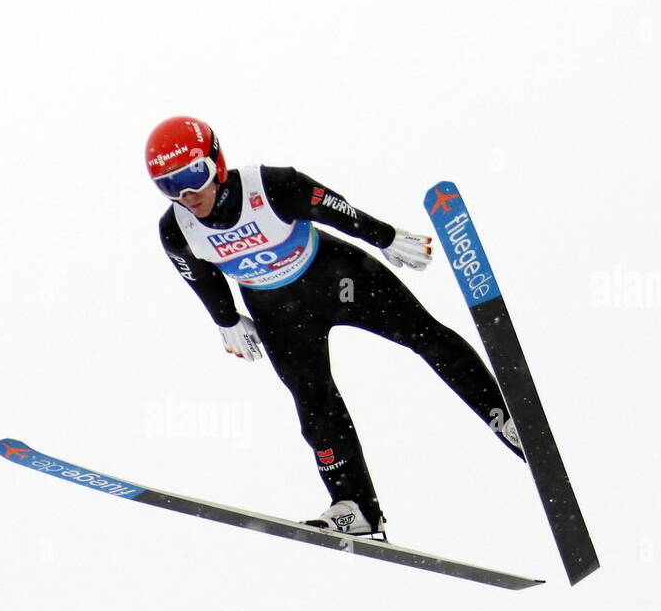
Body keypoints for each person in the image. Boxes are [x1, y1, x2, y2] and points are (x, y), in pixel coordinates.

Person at [148, 115, 523, 536]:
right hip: (280, 316)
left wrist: (384, 236)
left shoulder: (270, 184)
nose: (186, 194)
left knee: (425, 336)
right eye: (167, 185)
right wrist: (226, 319)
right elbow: (201, 277)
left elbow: (333, 207)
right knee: (313, 404)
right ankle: (355, 507)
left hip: (339, 279)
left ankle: (506, 417)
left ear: (216, 162)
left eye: (192, 175)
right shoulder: (176, 229)